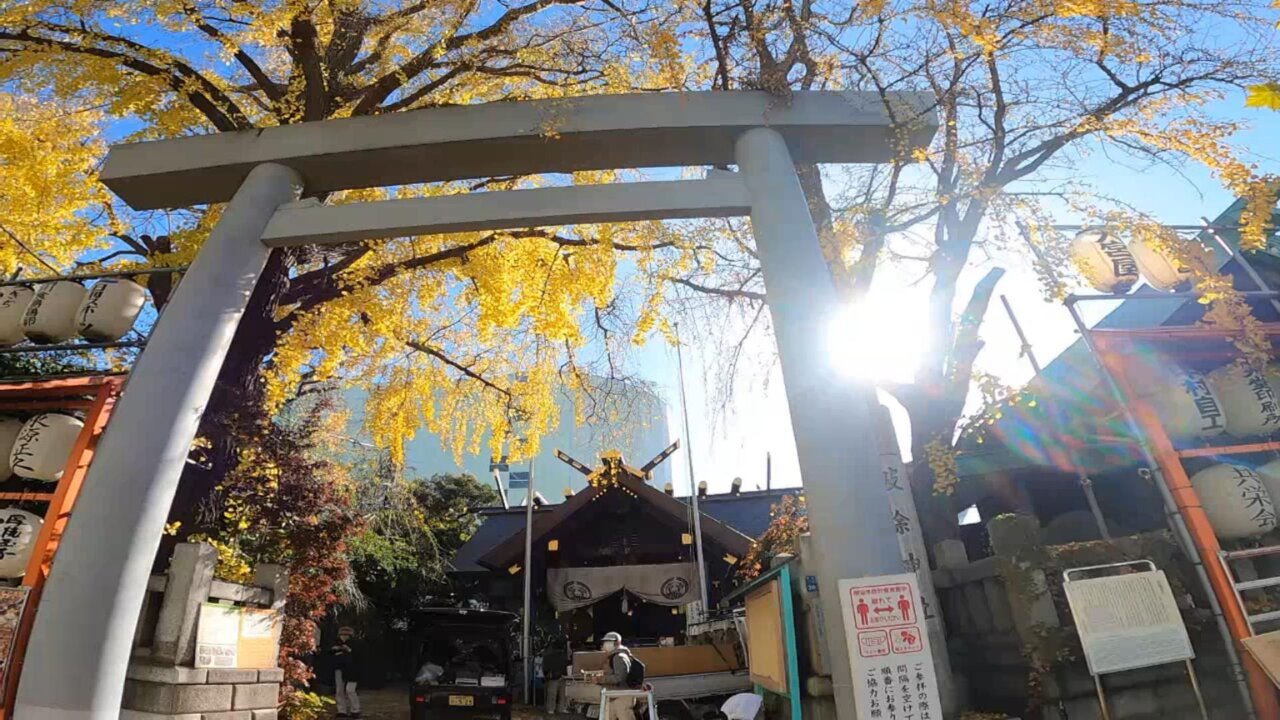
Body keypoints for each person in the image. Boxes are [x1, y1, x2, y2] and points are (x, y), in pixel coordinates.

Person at [597, 631, 637, 720]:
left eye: (609, 642)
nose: (605, 644)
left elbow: (619, 677)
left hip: (622, 697)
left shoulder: (619, 657)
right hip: (613, 696)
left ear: (617, 643)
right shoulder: (614, 656)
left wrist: (601, 679)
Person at [328, 626, 362, 718]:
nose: (344, 636)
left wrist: (348, 650)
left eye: (347, 635)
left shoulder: (356, 644)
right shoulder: (335, 644)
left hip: (352, 670)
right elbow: (330, 654)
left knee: (350, 690)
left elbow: (359, 657)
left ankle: (355, 710)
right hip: (339, 669)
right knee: (339, 690)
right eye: (342, 634)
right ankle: (341, 710)